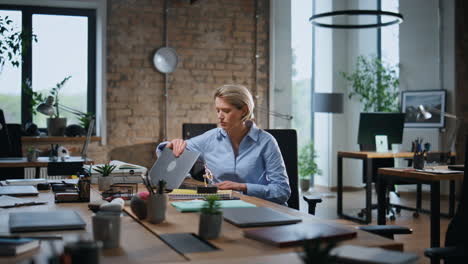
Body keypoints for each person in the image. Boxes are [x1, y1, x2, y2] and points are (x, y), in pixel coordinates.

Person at [156, 84, 291, 205]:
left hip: (259, 208)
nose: (220, 116)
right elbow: (168, 155)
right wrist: (172, 145)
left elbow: (282, 191)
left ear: (244, 110)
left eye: (226, 111)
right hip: (221, 206)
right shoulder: (210, 138)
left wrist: (242, 187)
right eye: (217, 110)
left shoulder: (266, 142)